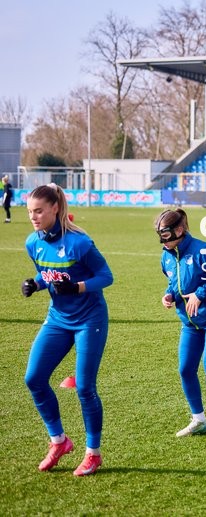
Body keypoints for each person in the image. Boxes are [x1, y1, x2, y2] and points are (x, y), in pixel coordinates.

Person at [22, 183, 113, 476]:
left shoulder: (80, 243)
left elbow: (106, 276)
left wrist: (78, 286)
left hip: (90, 320)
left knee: (85, 387)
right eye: (30, 212)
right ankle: (59, 442)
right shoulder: (32, 243)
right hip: (58, 319)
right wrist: (36, 283)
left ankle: (93, 453)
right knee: (34, 378)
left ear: (55, 208)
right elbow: (48, 271)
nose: (33, 217)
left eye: (39, 211)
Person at [157, 208, 206, 441]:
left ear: (179, 230)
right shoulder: (166, 256)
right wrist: (169, 295)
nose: (162, 240)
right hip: (190, 323)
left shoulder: (205, 250)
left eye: (166, 234)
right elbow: (175, 283)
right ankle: (198, 419)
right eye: (159, 235)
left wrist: (201, 294)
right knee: (185, 369)